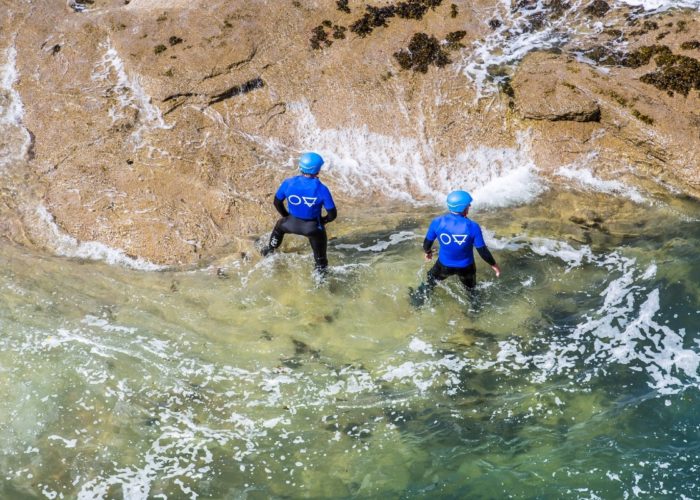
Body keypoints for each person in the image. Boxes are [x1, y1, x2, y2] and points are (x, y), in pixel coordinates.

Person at [410, 190, 501, 306]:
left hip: (444, 266)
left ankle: (418, 302)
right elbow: (483, 251)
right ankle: (475, 312)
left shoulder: (437, 222)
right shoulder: (473, 227)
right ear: (464, 208)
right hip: (466, 268)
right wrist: (494, 265)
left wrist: (428, 252)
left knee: (431, 280)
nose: (470, 206)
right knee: (471, 291)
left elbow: (426, 244)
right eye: (468, 205)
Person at [261, 152, 337, 274]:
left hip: (289, 224)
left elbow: (277, 203)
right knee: (320, 262)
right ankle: (320, 282)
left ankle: (269, 251)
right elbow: (332, 215)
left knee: (279, 227)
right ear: (318, 170)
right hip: (312, 228)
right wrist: (323, 221)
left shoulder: (288, 182)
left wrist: (286, 217)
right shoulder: (322, 189)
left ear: (301, 167)